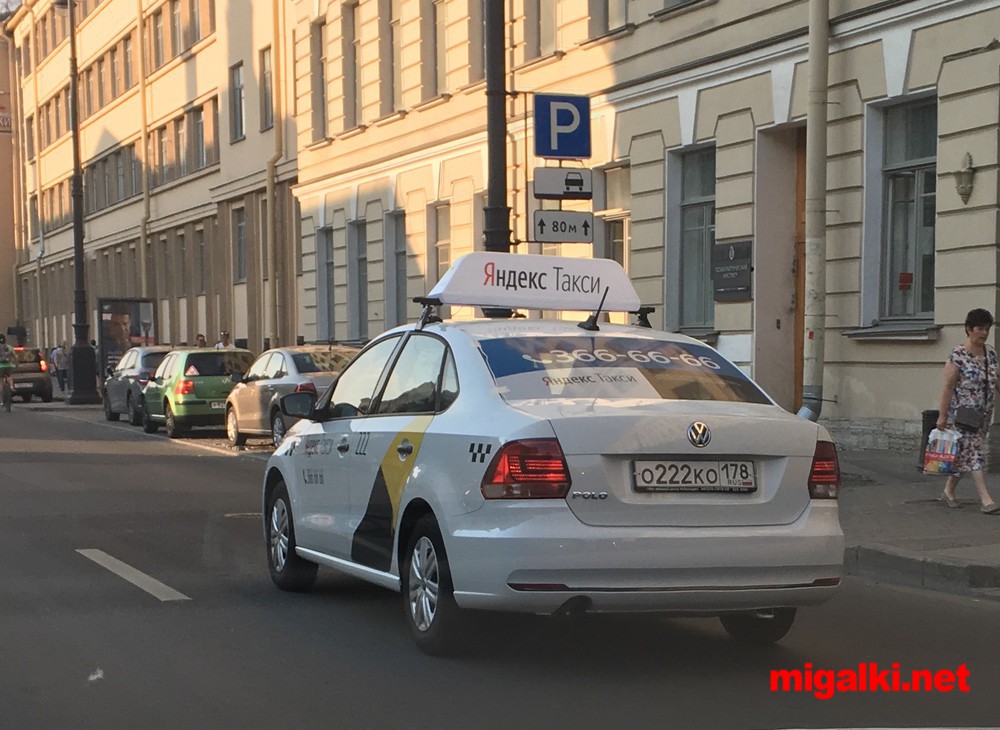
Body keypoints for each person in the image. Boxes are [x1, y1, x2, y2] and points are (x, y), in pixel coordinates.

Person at [936, 308, 1000, 514]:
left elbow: (996, 381)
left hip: (983, 415)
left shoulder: (990, 353)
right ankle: (986, 500)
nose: (984, 333)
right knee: (975, 452)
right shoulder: (958, 355)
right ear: (969, 329)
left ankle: (948, 491)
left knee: (963, 454)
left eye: (987, 329)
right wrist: (942, 416)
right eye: (980, 329)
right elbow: (948, 387)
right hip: (962, 415)